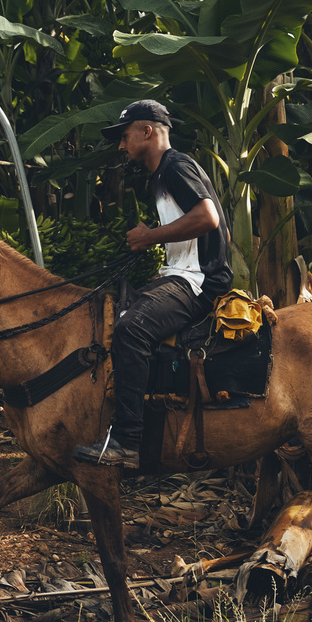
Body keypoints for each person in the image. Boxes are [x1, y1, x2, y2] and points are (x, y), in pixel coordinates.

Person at [73, 100, 233, 468]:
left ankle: (127, 441)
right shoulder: (163, 173)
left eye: (125, 136)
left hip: (199, 282)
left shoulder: (175, 166)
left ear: (147, 131)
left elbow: (208, 217)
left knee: (131, 330)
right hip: (183, 274)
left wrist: (151, 236)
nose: (121, 145)